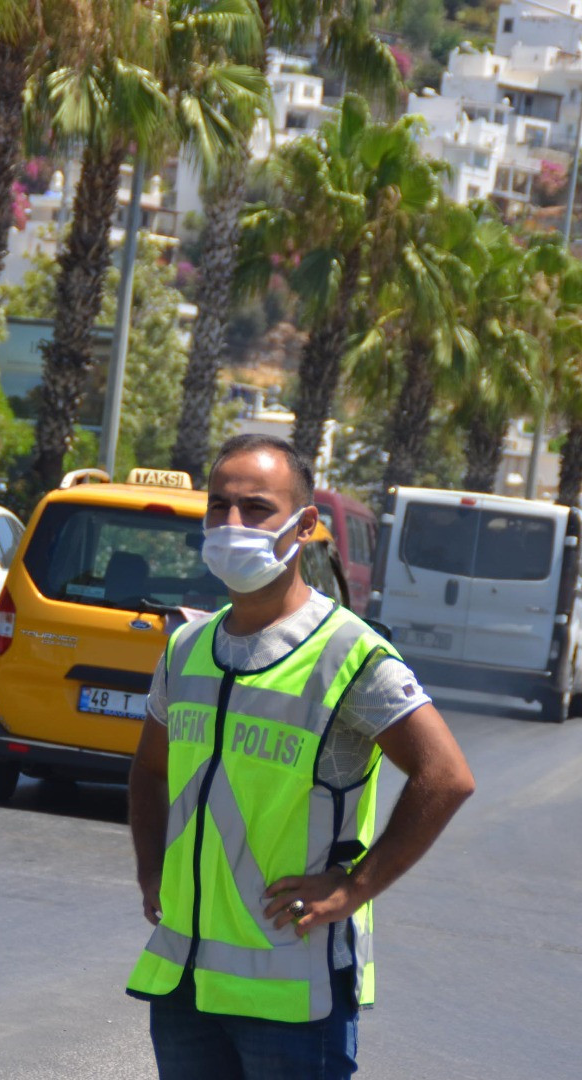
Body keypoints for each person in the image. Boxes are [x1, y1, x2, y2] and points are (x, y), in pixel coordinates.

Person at [125, 435, 476, 1079]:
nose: (231, 524)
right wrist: (151, 870)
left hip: (294, 996)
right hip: (184, 984)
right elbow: (149, 771)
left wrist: (355, 887)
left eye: (255, 508)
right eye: (218, 506)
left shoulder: (349, 654)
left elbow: (446, 777)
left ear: (304, 525)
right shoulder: (187, 648)